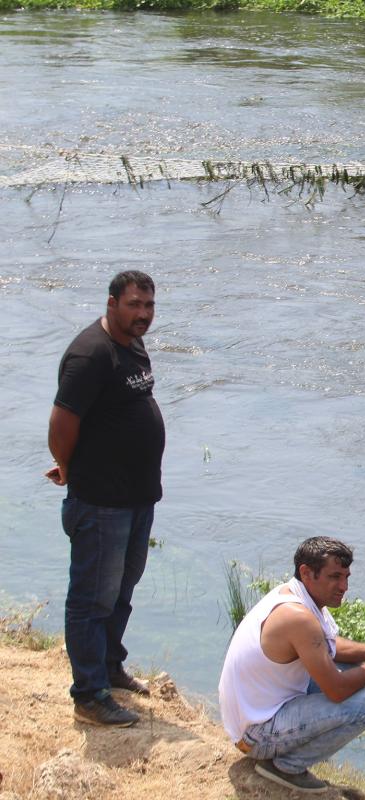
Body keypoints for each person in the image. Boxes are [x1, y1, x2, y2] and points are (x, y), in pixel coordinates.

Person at [46, 270, 166, 728]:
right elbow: (61, 425)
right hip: (100, 501)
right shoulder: (90, 354)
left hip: (137, 497)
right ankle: (89, 695)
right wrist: (72, 469)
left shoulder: (131, 344)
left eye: (149, 306)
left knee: (122, 589)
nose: (143, 314)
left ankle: (110, 667)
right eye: (135, 304)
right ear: (112, 302)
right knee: (92, 599)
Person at [219, 537, 365, 794]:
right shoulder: (298, 617)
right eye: (335, 577)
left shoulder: (293, 595)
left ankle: (285, 756)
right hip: (254, 737)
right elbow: (336, 691)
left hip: (257, 715)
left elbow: (326, 645)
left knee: (360, 672)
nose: (344, 586)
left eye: (346, 577)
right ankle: (286, 766)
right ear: (307, 573)